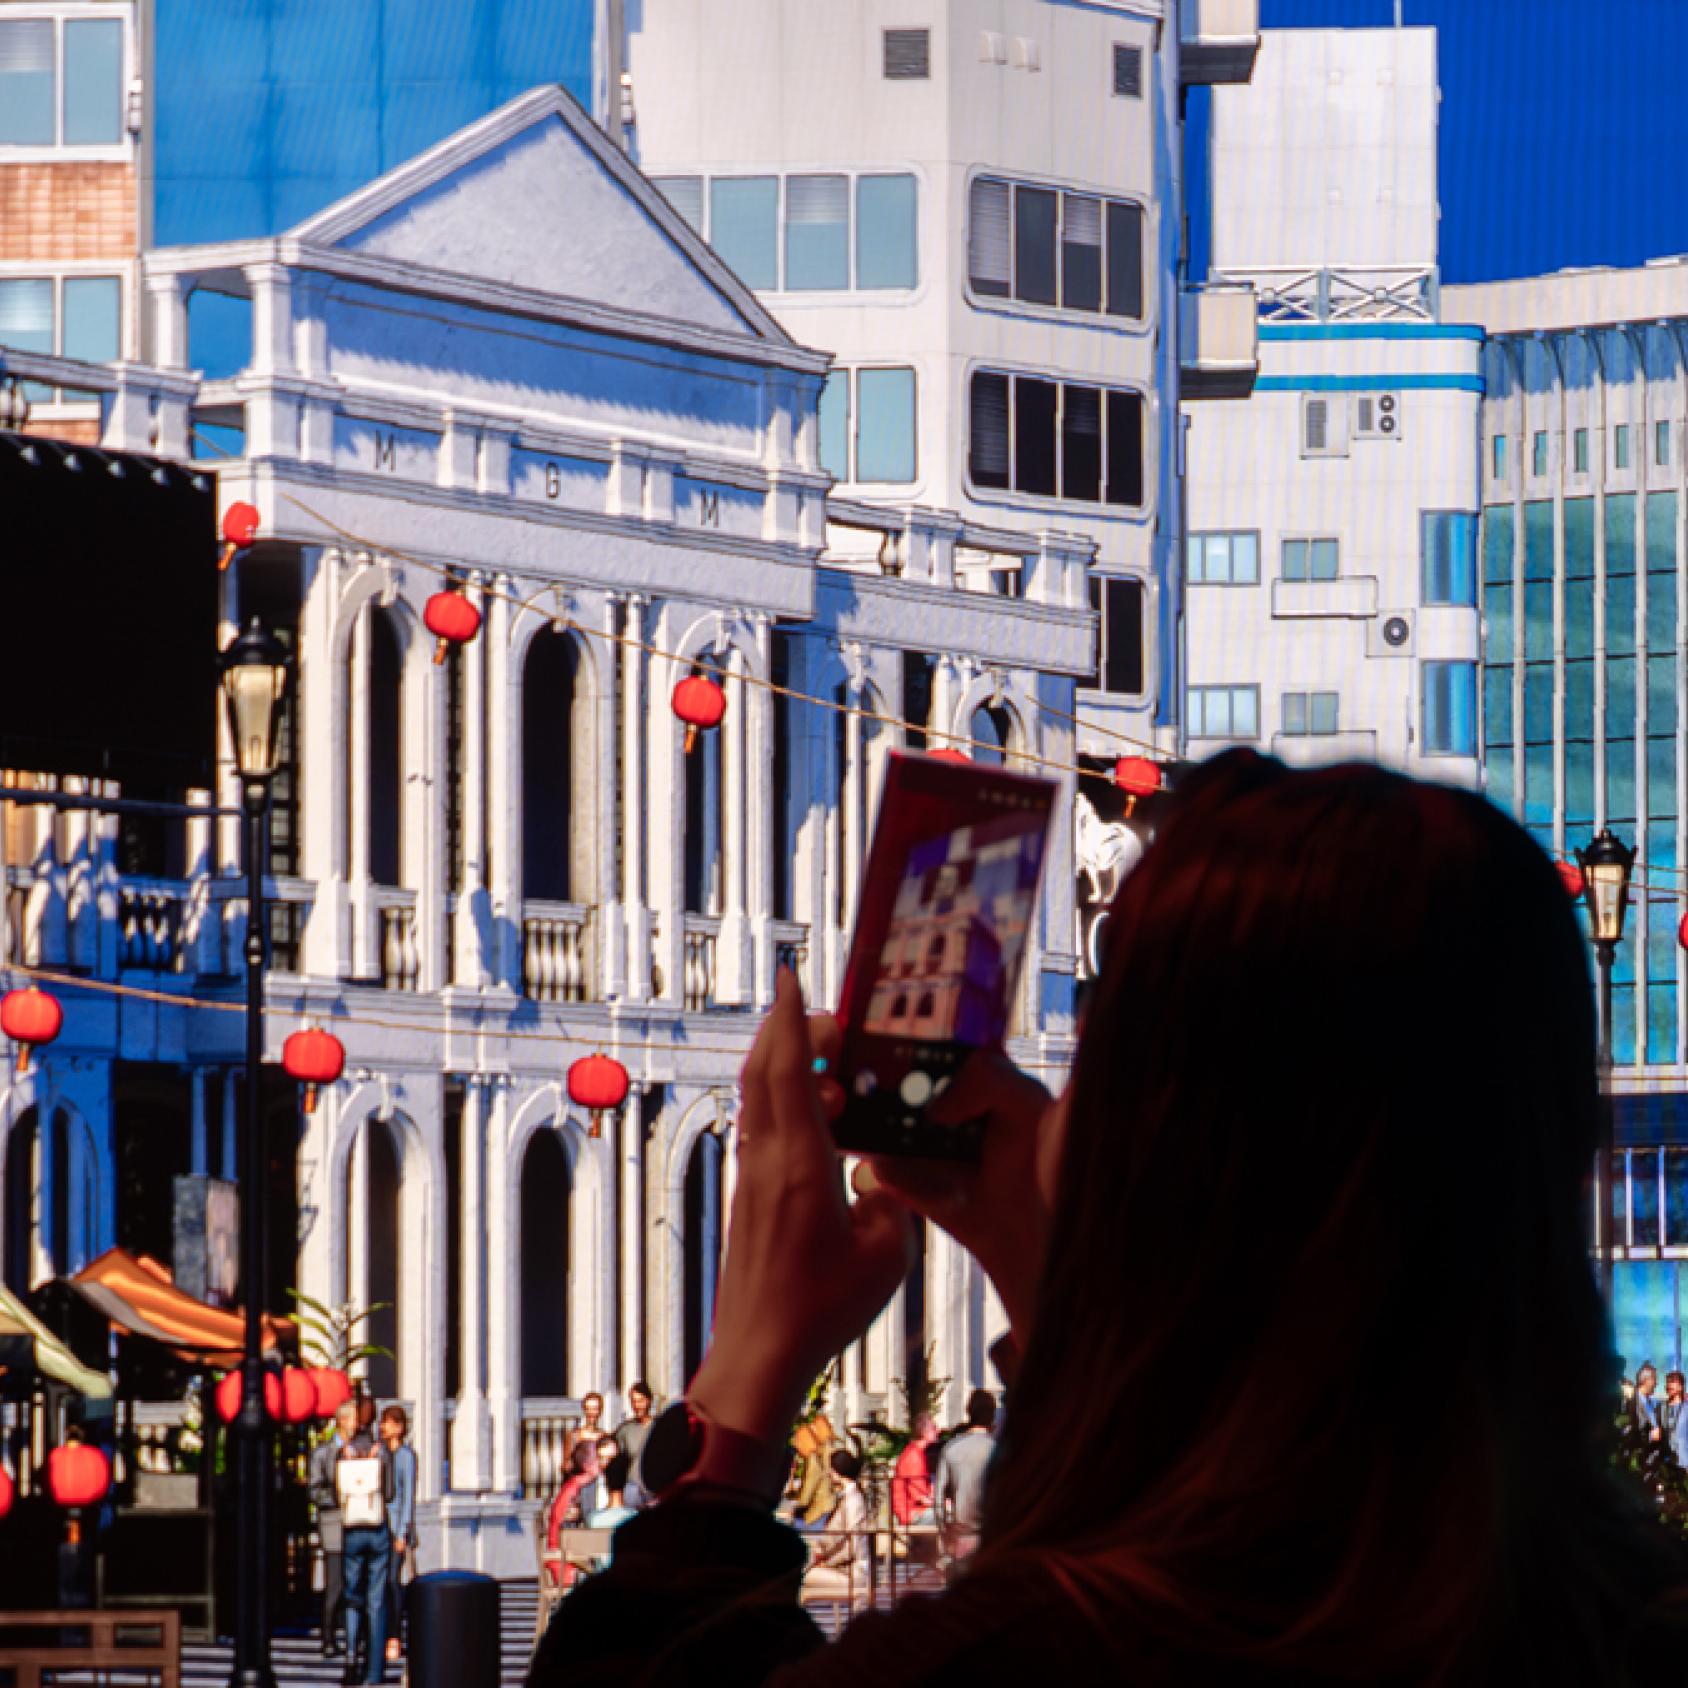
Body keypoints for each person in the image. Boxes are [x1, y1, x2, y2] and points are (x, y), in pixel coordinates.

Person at [531, 751, 1688, 1684]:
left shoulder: (1025, 1652)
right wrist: (1058, 1280)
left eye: (1097, 1046)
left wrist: (737, 1400)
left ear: (1155, 1145)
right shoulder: (1614, 1616)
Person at [335, 1418, 394, 1685]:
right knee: (376, 1600)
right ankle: (373, 1670)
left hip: (352, 1527)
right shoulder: (380, 1451)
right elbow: (390, 1492)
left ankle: (350, 1657)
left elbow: (336, 1491)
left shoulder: (344, 1452)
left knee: (352, 1597)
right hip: (376, 1526)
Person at [308, 1399, 361, 1660]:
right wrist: (339, 1493)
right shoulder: (323, 1453)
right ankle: (327, 1636)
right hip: (333, 1522)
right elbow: (315, 1490)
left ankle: (352, 1636)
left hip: (357, 1521)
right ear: (341, 1420)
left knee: (355, 1583)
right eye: (352, 1418)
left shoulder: (361, 1450)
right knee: (335, 1584)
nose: (356, 1424)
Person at [932, 1390, 996, 1564]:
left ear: (969, 1413)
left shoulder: (951, 1449)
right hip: (992, 1536)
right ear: (992, 1416)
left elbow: (938, 1498)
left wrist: (944, 1532)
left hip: (960, 1535)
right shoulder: (998, 1451)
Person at [801, 1449, 871, 1605]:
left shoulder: (853, 1502)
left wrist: (829, 1561)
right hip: (842, 1566)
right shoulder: (848, 1498)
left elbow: (853, 1545)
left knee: (799, 1579)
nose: (829, 1473)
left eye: (831, 1469)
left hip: (852, 1573)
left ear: (837, 1471)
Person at [378, 1405, 417, 1666]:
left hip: (396, 1527)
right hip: (379, 1525)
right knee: (381, 1583)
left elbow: (408, 1497)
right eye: (383, 1423)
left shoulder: (406, 1456)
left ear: (400, 1428)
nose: (384, 1427)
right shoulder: (380, 1453)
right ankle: (384, 1634)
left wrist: (402, 1532)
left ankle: (395, 1635)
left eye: (390, 1423)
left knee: (393, 1581)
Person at [544, 1440, 603, 1589]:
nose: (604, 1464)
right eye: (599, 1460)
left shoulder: (576, 1486)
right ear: (587, 1466)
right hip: (566, 1563)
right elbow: (569, 1535)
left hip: (568, 1556)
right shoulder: (574, 1493)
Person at [889, 1413, 938, 1527]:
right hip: (912, 1513)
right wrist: (943, 1503)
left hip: (913, 1510)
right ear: (924, 1432)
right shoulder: (914, 1456)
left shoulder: (914, 1452)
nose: (938, 1431)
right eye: (934, 1428)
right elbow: (921, 1496)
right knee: (953, 1516)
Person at [613, 1381, 657, 1505]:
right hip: (632, 1487)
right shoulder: (625, 1430)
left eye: (641, 1400)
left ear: (649, 1401)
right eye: (634, 1401)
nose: (637, 1405)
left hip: (655, 1487)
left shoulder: (660, 1427)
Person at [1663, 1371, 1688, 1469]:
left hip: (1684, 1461)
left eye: (1672, 1381)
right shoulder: (1661, 1408)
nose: (1668, 1384)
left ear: (1681, 1387)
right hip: (1666, 1461)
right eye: (1667, 1382)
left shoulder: (1686, 1408)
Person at [1633, 1363, 1663, 1440]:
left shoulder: (1653, 1403)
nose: (1657, 1383)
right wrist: (1651, 1436)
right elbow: (1629, 1430)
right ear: (1645, 1380)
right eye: (1655, 1379)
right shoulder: (1632, 1402)